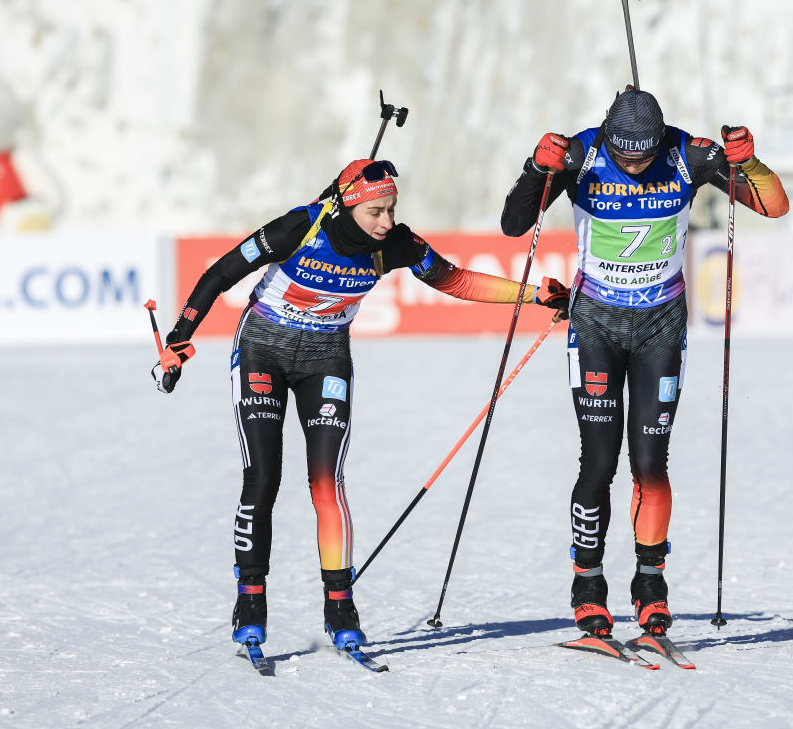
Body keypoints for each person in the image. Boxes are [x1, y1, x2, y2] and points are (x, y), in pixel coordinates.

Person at [154, 158, 569, 653]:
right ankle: (250, 600)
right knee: (263, 477)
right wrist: (178, 340)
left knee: (328, 482)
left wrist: (532, 295)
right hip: (264, 345)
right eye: (375, 211)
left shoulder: (397, 244)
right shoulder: (300, 227)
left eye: (391, 209)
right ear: (350, 205)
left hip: (326, 355)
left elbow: (454, 280)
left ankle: (340, 607)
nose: (386, 222)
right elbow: (221, 271)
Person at [500, 89, 788, 638]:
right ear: (608, 137)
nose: (633, 167)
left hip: (661, 325)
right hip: (596, 327)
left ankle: (650, 585)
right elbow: (515, 224)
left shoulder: (687, 155)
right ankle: (588, 586)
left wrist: (749, 162)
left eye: (643, 159)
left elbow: (773, 206)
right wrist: (537, 170)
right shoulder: (581, 155)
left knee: (651, 463)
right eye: (624, 157)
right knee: (599, 462)